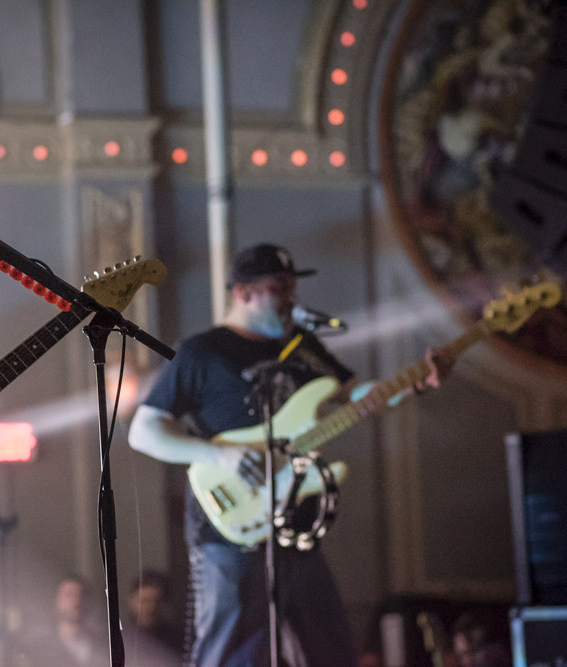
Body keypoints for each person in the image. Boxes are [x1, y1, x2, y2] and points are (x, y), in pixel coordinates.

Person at [128, 243, 450, 666]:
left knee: (328, 647)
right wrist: (218, 456)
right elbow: (144, 431)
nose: (290, 299)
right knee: (233, 648)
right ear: (243, 293)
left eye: (291, 288)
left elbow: (352, 393)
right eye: (279, 288)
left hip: (295, 520)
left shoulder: (302, 344)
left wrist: (411, 383)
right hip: (229, 529)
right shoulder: (202, 353)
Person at [124, 569, 184, 665]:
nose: (151, 608)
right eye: (145, 601)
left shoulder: (179, 639)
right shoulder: (121, 640)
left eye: (156, 601)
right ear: (132, 601)